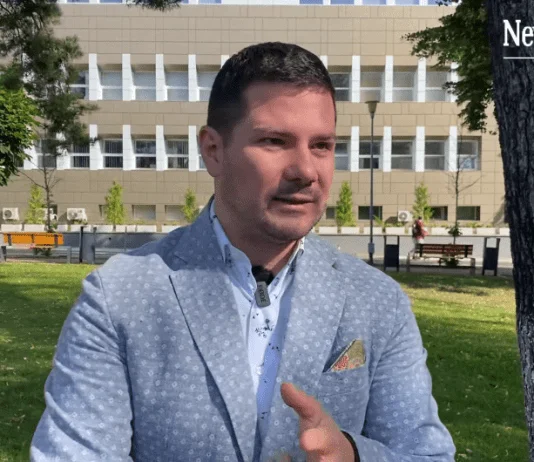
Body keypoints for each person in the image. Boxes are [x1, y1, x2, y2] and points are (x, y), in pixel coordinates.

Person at [30, 42, 455, 462]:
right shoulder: (120, 298)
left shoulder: (377, 302)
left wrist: (354, 456)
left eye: (322, 145)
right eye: (275, 141)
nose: (306, 170)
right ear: (213, 150)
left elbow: (427, 455)